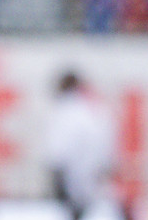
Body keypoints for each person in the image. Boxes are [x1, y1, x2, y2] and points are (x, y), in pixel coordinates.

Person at [42, 70, 115, 211]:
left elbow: (58, 152)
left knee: (71, 218)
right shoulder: (95, 110)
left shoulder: (65, 111)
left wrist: (57, 177)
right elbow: (107, 150)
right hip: (94, 177)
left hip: (70, 178)